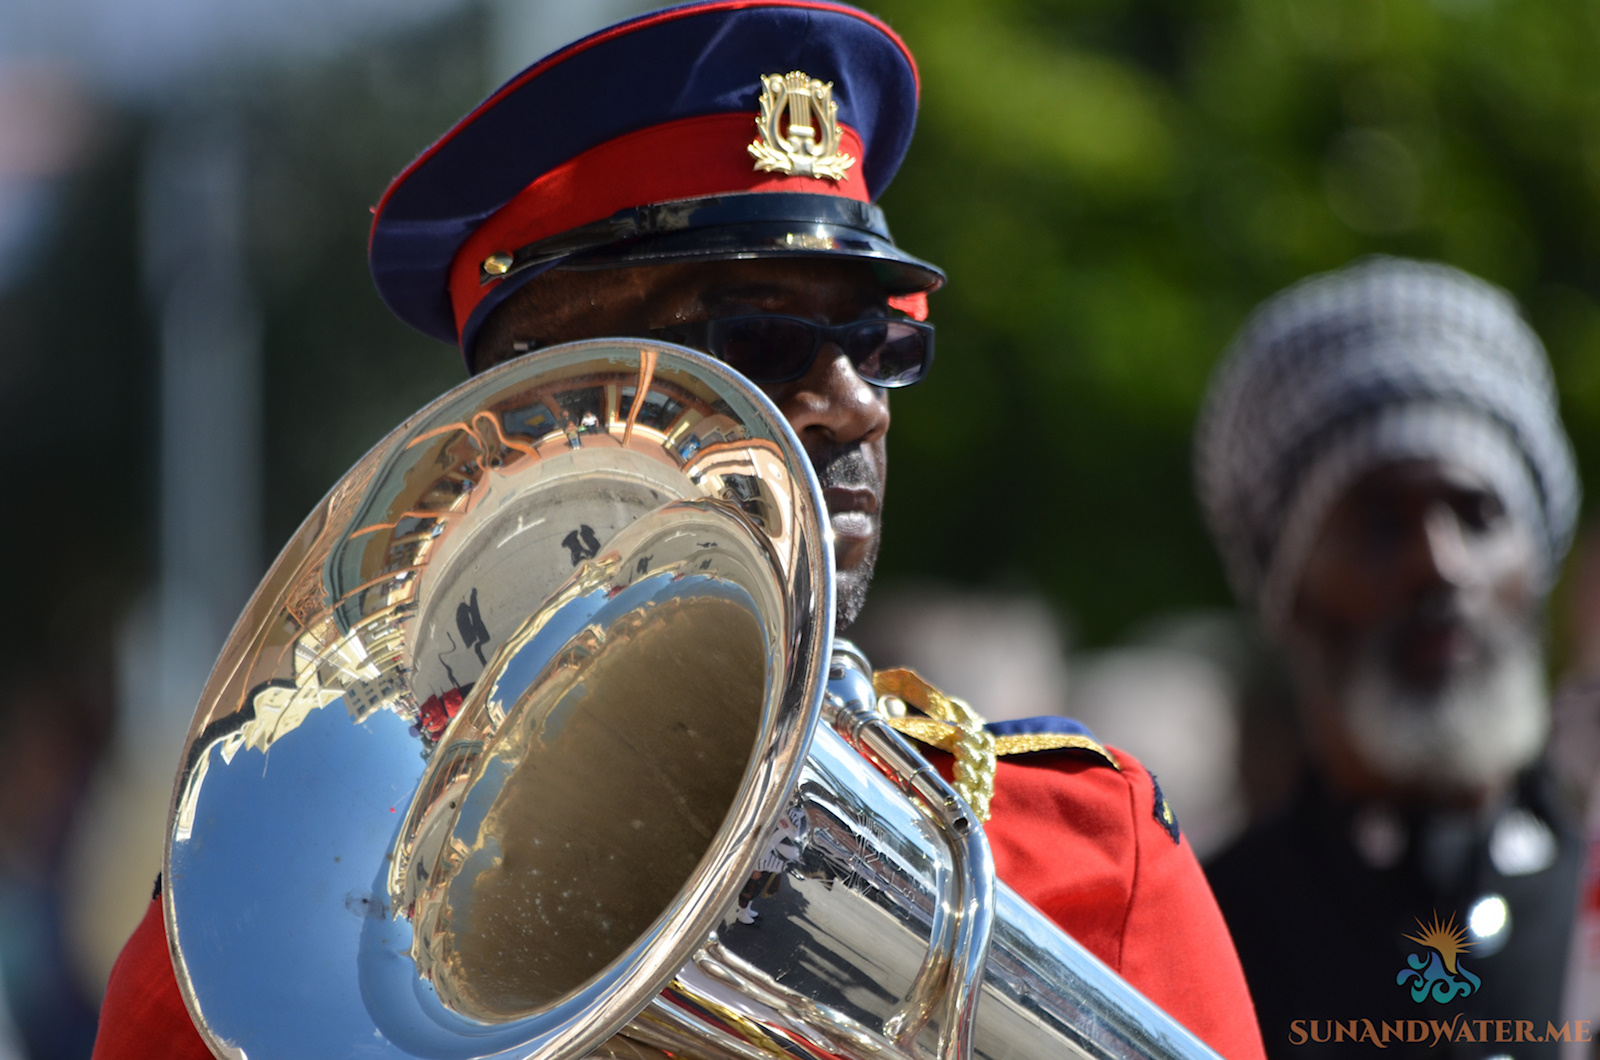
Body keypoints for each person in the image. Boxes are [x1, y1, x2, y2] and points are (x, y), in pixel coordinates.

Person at [92, 4, 1264, 1058]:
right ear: (541, 404)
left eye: (878, 345)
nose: (853, 403)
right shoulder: (257, 957)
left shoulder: (1082, 851)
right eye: (758, 342)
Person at [1195, 257, 1583, 1058]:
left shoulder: (1589, 910)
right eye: (1380, 523)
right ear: (1289, 592)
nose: (1438, 565)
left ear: (1535, 565)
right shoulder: (1200, 937)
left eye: (1478, 515)